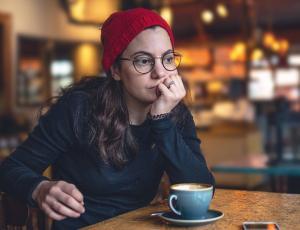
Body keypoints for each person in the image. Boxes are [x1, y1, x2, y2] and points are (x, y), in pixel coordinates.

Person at [0, 8, 214, 229]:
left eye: (167, 58)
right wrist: (39, 188)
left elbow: (203, 189)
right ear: (115, 70)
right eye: (143, 61)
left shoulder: (174, 113)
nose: (161, 72)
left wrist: (162, 120)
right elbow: (10, 168)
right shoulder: (79, 109)